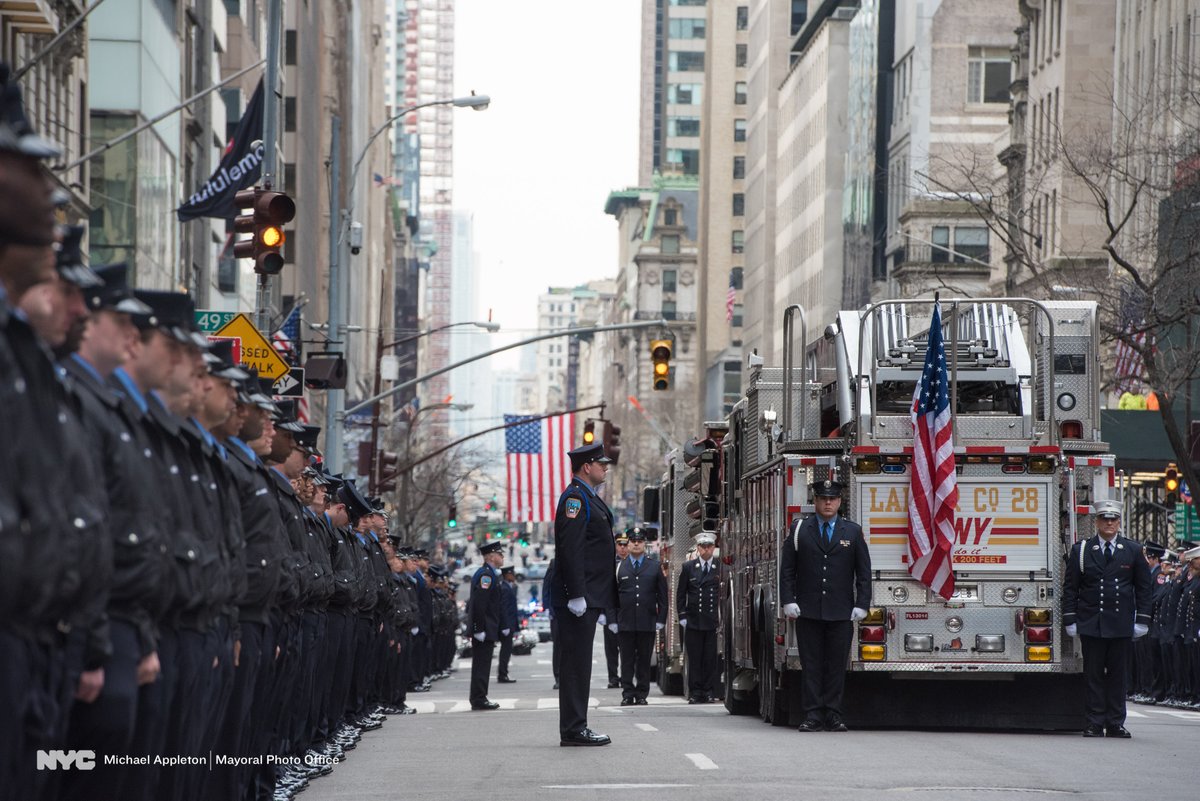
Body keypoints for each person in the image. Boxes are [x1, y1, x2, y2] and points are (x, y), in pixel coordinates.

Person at [778, 478, 872, 732]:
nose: (828, 503)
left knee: (835, 665)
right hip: (809, 610)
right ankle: (812, 715)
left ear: (840, 502)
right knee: (812, 664)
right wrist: (788, 600)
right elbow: (787, 570)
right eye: (823, 498)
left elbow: (863, 572)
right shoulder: (800, 530)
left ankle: (833, 714)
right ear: (815, 501)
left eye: (832, 499)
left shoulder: (851, 531)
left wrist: (862, 603)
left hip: (841, 611)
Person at [1062, 499, 1153, 738]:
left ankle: (1115, 722)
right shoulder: (1082, 550)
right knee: (1093, 675)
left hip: (1121, 623)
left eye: (1113, 519)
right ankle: (1093, 721)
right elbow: (1071, 587)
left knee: (1117, 676)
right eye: (1104, 518)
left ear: (1119, 522)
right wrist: (1070, 619)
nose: (1109, 523)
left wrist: (1142, 620)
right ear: (1096, 522)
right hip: (1092, 622)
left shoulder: (1132, 550)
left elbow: (1144, 588)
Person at [553, 442, 617, 746]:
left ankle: (576, 725)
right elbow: (571, 548)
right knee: (576, 665)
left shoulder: (589, 498)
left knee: (580, 663)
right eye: (600, 463)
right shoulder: (576, 499)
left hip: (590, 595)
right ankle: (574, 728)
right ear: (586, 467)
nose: (605, 467)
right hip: (579, 598)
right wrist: (576, 594)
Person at [608, 526, 667, 705]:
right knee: (626, 660)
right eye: (632, 541)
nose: (635, 544)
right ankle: (627, 693)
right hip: (625, 622)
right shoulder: (619, 567)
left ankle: (641, 693)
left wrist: (661, 620)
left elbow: (663, 597)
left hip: (647, 621)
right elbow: (611, 596)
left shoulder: (654, 566)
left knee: (643, 659)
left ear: (644, 544)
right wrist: (612, 620)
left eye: (639, 541)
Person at [676, 530, 722, 704]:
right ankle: (695, 692)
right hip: (694, 620)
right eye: (702, 546)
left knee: (709, 658)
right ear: (697, 547)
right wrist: (682, 615)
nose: (706, 550)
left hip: (711, 621)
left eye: (709, 546)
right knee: (694, 658)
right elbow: (681, 593)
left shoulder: (719, 567)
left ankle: (709, 691)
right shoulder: (689, 567)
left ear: (714, 547)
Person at [468, 540, 506, 710]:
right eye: (500, 554)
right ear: (491, 556)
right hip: (484, 627)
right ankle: (478, 698)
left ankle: (480, 696)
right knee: (481, 665)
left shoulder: (489, 573)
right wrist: (478, 628)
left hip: (487, 626)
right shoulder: (486, 575)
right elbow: (479, 603)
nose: (502, 557)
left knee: (483, 664)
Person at [496, 565, 519, 683]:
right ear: (507, 575)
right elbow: (503, 608)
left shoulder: (509, 587)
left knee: (507, 650)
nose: (514, 576)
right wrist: (505, 626)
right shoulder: (504, 588)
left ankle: (503, 673)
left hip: (509, 624)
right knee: (505, 650)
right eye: (512, 574)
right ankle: (502, 674)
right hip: (506, 625)